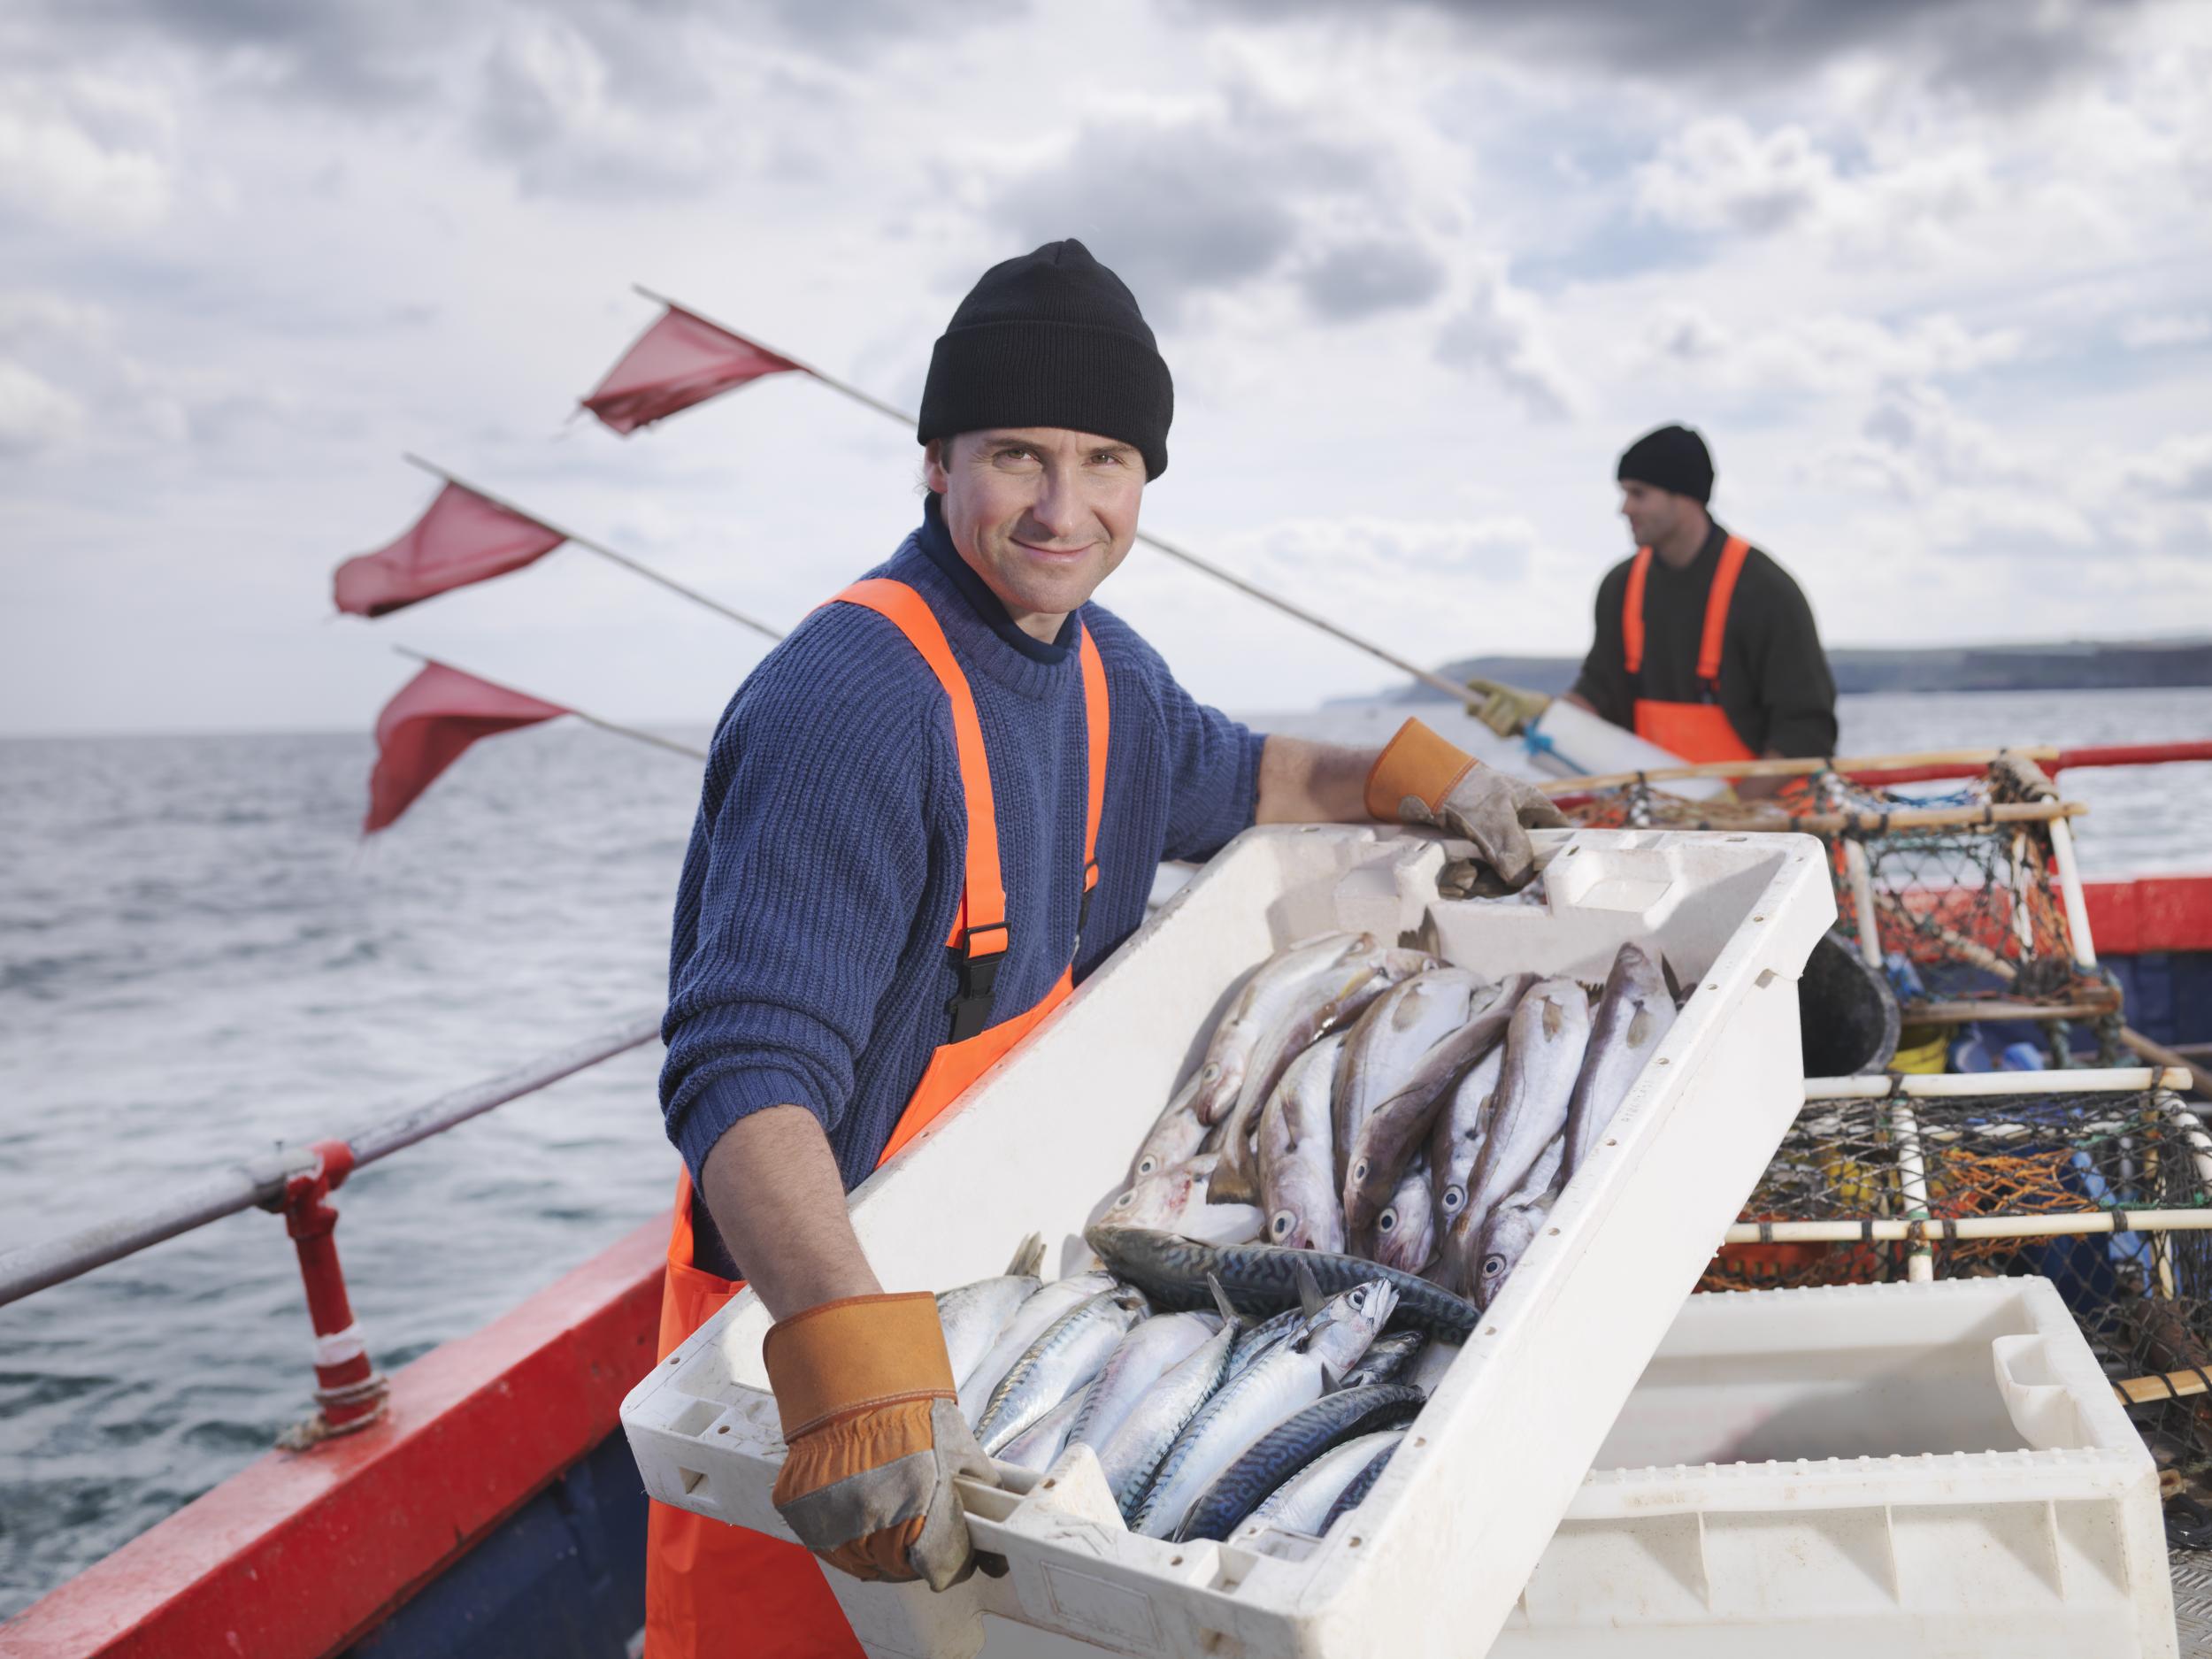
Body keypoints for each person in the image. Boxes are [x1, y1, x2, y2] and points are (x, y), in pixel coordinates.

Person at [642, 239, 1564, 1656]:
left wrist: (1425, 775)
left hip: (1008, 1305)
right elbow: (741, 1070)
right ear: (935, 459)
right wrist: (844, 1364)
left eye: (1108, 460)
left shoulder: (1101, 668)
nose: (1064, 508)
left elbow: (1250, 773)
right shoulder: (851, 703)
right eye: (1018, 454)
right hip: (803, 1350)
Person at [1564, 424, 1837, 774]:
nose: (1624, 508)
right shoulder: (1620, 586)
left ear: (1684, 497)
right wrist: (1536, 717)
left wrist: (1734, 815)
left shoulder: (1766, 591)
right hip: (1662, 813)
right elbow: (1601, 694)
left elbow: (1806, 732)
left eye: (1639, 493)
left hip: (1766, 819)